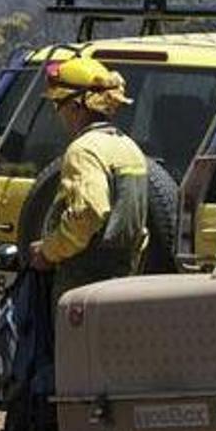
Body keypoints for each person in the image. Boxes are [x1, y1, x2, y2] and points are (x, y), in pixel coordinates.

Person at [27, 56, 148, 303]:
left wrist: (48, 252)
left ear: (77, 106)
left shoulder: (83, 150)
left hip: (83, 281)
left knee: (74, 342)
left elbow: (88, 213)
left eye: (59, 103)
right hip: (124, 279)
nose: (58, 113)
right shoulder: (129, 147)